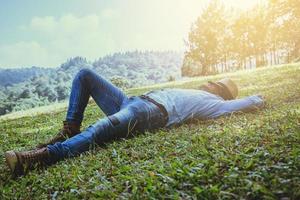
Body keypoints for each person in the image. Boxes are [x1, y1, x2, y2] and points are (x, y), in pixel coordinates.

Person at [5, 69, 264, 176]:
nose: (208, 82)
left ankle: (42, 157)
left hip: (148, 113)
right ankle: (69, 130)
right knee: (84, 75)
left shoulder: (213, 103)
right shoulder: (200, 93)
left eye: (214, 82)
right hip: (130, 100)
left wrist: (258, 98)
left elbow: (244, 104)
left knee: (101, 128)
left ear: (218, 89)